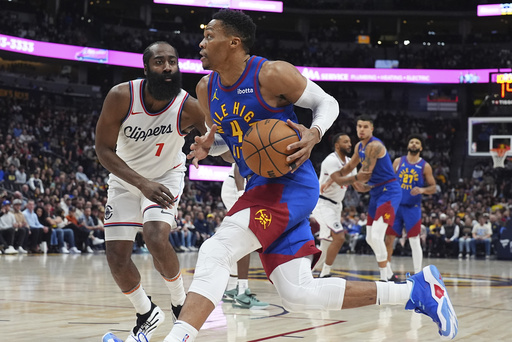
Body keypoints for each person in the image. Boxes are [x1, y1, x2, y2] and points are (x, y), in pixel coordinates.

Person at [164, 9, 457, 342]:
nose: (200, 43)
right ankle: (415, 292)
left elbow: (326, 102)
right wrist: (210, 145)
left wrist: (315, 133)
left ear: (234, 42)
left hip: (290, 184)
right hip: (262, 184)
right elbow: (234, 143)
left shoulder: (270, 73)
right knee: (298, 293)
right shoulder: (206, 88)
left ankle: (178, 338)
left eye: (209, 36)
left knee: (216, 250)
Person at [95, 41, 207, 342]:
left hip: (167, 176)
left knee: (156, 236)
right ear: (146, 68)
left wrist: (210, 147)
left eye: (172, 61)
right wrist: (141, 183)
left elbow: (217, 141)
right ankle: (146, 312)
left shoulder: (189, 105)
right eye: (160, 62)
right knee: (116, 257)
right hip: (125, 179)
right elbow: (102, 149)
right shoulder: (121, 96)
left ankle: (179, 301)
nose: (168, 67)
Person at [321, 115, 402, 282]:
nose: (362, 129)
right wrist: (332, 178)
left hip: (389, 191)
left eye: (365, 126)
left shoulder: (374, 146)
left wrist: (345, 179)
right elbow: (349, 167)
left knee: (377, 235)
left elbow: (365, 175)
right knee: (369, 237)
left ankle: (384, 279)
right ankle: (389, 274)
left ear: (372, 129)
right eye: (359, 126)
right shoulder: (359, 146)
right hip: (376, 192)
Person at [387, 135, 437, 278]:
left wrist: (422, 190)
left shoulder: (425, 166)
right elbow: (388, 179)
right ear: (408, 145)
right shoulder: (398, 162)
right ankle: (387, 272)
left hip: (412, 208)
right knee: (389, 239)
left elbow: (433, 187)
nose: (414, 144)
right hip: (395, 207)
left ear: (421, 148)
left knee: (414, 240)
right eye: (412, 142)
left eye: (417, 143)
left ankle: (417, 274)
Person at [221, 163, 268, 309]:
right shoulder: (256, 140)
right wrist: (241, 192)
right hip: (238, 187)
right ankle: (242, 293)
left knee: (240, 237)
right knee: (245, 237)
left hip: (242, 186)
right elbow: (239, 163)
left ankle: (231, 289)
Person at [312, 133, 356, 278]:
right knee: (339, 237)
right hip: (323, 203)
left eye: (350, 142)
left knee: (326, 243)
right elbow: (340, 179)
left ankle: (308, 272)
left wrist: (374, 185)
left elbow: (355, 183)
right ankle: (325, 273)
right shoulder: (330, 160)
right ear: (337, 145)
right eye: (345, 142)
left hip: (337, 205)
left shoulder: (350, 161)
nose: (349, 144)